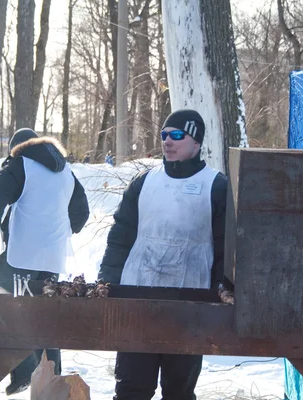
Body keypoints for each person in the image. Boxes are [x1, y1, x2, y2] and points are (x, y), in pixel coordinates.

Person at [98, 109, 228, 400]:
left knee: (179, 391)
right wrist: (108, 279)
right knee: (132, 388)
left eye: (177, 135)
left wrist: (222, 289)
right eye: (164, 135)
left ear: (196, 142)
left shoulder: (216, 186)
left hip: (190, 303)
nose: (168, 141)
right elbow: (121, 236)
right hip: (137, 297)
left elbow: (224, 247)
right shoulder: (144, 181)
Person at [0, 128, 90, 395]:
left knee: (5, 302)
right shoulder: (65, 171)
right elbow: (82, 211)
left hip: (21, 254)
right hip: (52, 258)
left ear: (19, 147)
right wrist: (61, 231)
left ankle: (23, 370)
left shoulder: (21, 163)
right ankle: (51, 378)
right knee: (47, 313)